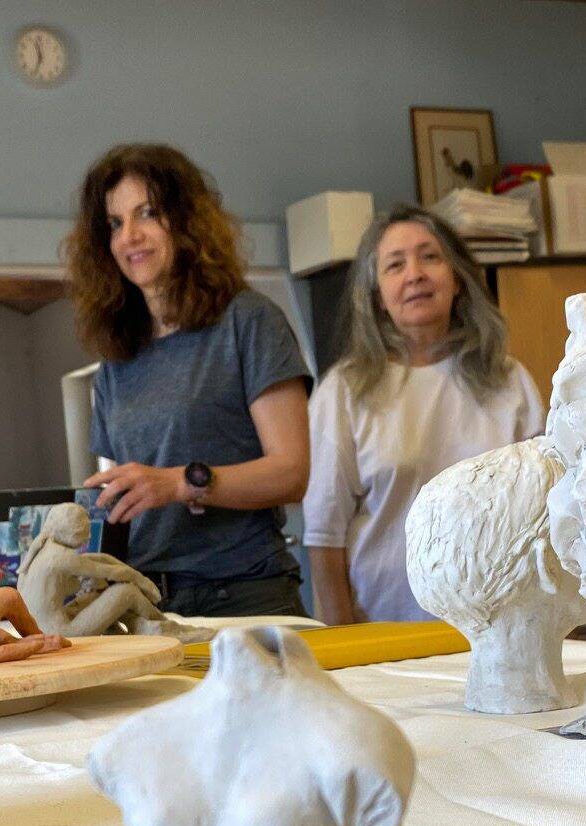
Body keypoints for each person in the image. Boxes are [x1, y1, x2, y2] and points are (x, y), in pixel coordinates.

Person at [65, 143, 312, 618]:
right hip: (149, 602)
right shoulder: (118, 356)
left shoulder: (249, 321)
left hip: (244, 593)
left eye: (148, 214)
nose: (129, 236)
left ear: (187, 222)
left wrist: (180, 483)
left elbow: (292, 472)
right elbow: (129, 493)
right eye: (115, 223)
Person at [303, 205, 542, 623]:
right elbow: (324, 536)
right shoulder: (344, 391)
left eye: (429, 257)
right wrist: (343, 645)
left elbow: (546, 512)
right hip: (385, 629)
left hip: (503, 625)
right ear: (376, 295)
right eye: (395, 265)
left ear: (457, 280)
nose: (414, 274)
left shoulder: (510, 381)